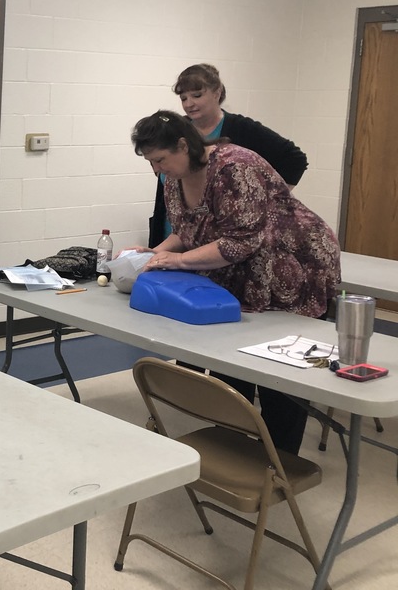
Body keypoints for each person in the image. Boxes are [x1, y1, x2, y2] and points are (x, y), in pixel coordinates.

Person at [129, 110, 340, 455]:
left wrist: (178, 261)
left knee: (280, 372)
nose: (157, 169)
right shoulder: (174, 178)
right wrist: (154, 254)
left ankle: (279, 462)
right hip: (238, 270)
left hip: (292, 266)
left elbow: (240, 241)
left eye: (160, 160)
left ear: (184, 145)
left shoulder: (233, 167)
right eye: (151, 162)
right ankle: (237, 448)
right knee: (231, 358)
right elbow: (187, 229)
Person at [148, 63, 308, 248]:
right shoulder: (175, 130)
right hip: (175, 231)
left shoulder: (243, 129)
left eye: (197, 95)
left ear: (217, 93)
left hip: (221, 237)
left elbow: (295, 160)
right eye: (183, 98)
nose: (189, 104)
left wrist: (263, 202)